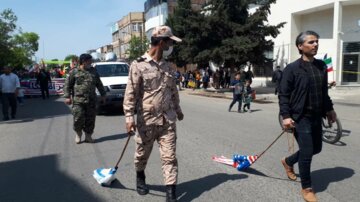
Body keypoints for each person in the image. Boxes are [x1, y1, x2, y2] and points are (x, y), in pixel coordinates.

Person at [123, 25, 184, 202]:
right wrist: (129, 117)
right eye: (170, 42)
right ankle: (140, 176)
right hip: (146, 120)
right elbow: (131, 93)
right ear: (162, 42)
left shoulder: (167, 66)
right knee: (142, 154)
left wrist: (178, 110)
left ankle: (171, 193)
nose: (171, 45)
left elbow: (173, 91)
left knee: (169, 157)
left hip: (167, 120)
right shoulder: (138, 65)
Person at [279, 30, 337, 202]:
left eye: (316, 41)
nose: (315, 44)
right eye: (311, 42)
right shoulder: (292, 69)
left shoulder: (321, 66)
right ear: (300, 46)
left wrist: (330, 109)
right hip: (299, 117)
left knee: (316, 148)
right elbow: (283, 94)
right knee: (307, 152)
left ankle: (288, 161)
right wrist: (286, 116)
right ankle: (307, 188)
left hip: (316, 115)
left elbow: (323, 92)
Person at [64, 53, 106, 144]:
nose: (91, 62)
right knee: (78, 118)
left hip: (91, 100)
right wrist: (67, 97)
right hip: (78, 101)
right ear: (83, 61)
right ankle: (78, 134)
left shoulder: (93, 71)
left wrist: (103, 95)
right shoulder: (74, 72)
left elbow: (99, 84)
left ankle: (88, 136)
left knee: (90, 119)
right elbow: (67, 85)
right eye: (89, 60)